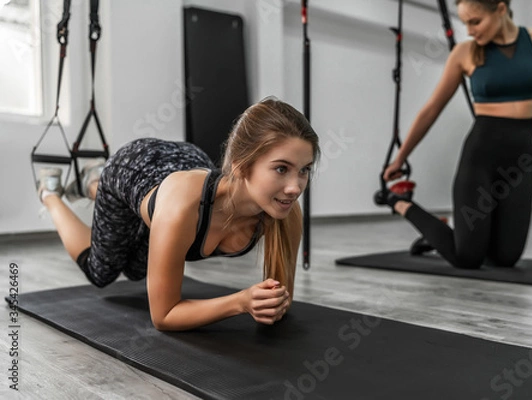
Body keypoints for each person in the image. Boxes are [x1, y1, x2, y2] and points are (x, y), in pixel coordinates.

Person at [36, 98, 320, 331]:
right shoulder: (183, 207)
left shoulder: (285, 212)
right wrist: (241, 302)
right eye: (281, 168)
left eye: (304, 170)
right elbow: (164, 316)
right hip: (133, 167)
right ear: (241, 166)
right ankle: (54, 193)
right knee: (102, 271)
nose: (295, 188)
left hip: (187, 162)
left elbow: (280, 303)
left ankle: (90, 181)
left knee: (136, 269)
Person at [383, 0, 532, 269]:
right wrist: (399, 158)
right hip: (480, 158)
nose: (469, 30)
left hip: (520, 160)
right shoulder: (464, 53)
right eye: (465, 23)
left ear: (500, 9)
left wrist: (518, 139)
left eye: (475, 21)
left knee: (506, 258)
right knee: (468, 258)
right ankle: (402, 203)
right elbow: (431, 110)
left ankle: (457, 232)